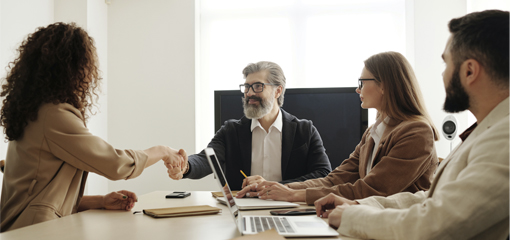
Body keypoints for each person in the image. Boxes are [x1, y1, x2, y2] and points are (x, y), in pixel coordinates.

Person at [314, 10, 509, 239]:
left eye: (446, 64)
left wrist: (352, 217)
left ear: (469, 71)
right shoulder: (488, 130)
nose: (443, 75)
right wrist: (358, 204)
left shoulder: (503, 138)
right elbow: (429, 198)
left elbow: (435, 224)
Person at [0, 22, 187, 232]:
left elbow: (40, 195)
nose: (90, 73)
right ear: (71, 67)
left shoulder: (34, 112)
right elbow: (115, 164)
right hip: (33, 232)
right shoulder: (53, 115)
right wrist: (162, 151)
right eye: (86, 64)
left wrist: (100, 201)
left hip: (26, 229)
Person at [237, 52, 440, 205]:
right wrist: (280, 188)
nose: (357, 89)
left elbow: (372, 189)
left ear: (384, 85)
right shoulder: (373, 132)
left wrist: (294, 195)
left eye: (362, 82)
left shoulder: (417, 132)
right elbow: (335, 179)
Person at [173, 61, 332, 190]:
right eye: (247, 87)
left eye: (257, 86)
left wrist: (273, 187)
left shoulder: (305, 130)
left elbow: (323, 174)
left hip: (292, 208)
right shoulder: (231, 131)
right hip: (244, 209)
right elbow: (205, 160)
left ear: (278, 91)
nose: (249, 93)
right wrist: (184, 166)